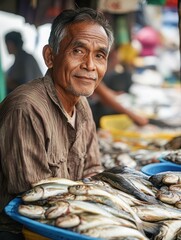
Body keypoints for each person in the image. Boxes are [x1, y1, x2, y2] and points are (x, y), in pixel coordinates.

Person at [0, 7, 114, 240]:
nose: (90, 65)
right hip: (21, 231)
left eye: (99, 55)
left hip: (63, 221)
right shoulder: (26, 108)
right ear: (50, 56)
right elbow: (35, 197)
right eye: (78, 51)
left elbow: (92, 171)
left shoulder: (81, 105)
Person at [88, 46, 148, 128]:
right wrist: (133, 116)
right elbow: (105, 96)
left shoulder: (98, 74)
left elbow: (104, 91)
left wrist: (115, 94)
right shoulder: (91, 71)